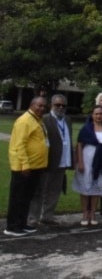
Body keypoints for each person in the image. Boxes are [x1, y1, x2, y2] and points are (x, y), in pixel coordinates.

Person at [5, 96, 49, 237]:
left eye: (44, 106)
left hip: (35, 166)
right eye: (39, 105)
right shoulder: (24, 121)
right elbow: (19, 145)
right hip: (24, 167)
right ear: (31, 105)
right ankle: (12, 226)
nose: (42, 108)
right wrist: (24, 165)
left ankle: (22, 223)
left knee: (26, 197)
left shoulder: (37, 120)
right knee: (18, 197)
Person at [28, 94, 72, 227]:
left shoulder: (68, 120)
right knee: (40, 191)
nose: (60, 107)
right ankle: (33, 218)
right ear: (51, 105)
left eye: (63, 105)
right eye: (57, 105)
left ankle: (47, 216)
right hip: (48, 162)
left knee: (54, 191)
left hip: (62, 161)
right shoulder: (45, 119)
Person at [73, 105, 102, 226]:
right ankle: (85, 213)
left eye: (101, 114)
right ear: (92, 115)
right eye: (96, 114)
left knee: (97, 187)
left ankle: (93, 213)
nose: (98, 116)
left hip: (101, 160)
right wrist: (80, 162)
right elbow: (79, 145)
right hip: (87, 159)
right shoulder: (86, 128)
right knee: (85, 187)